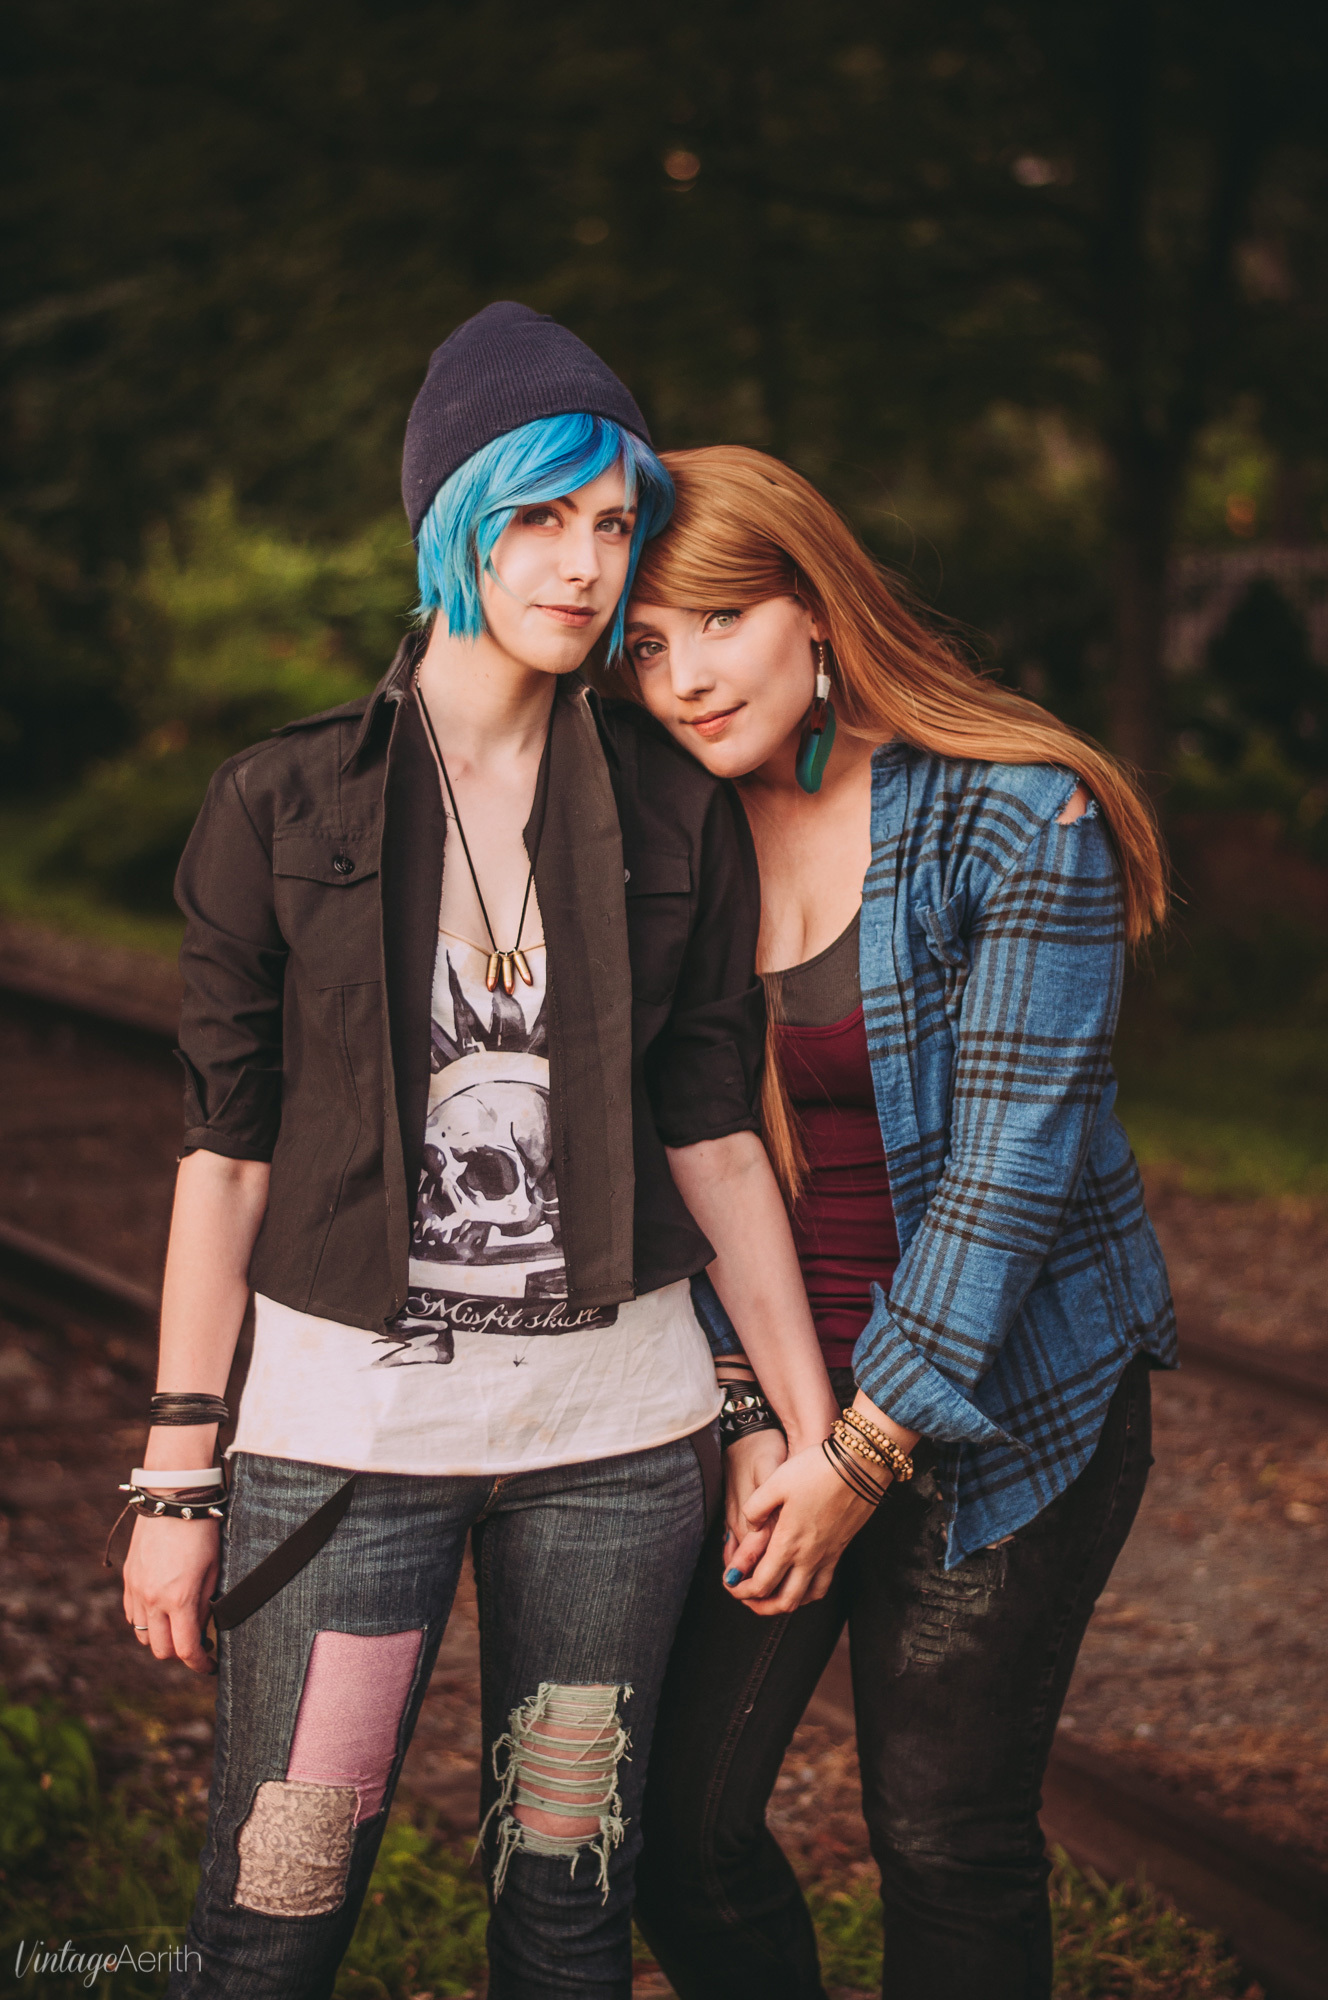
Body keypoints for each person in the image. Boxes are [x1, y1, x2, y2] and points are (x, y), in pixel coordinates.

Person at [120, 316, 836, 2000]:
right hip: (349, 1449)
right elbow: (225, 1155)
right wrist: (177, 1470)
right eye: (539, 518)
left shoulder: (674, 808)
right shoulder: (281, 802)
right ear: (453, 519)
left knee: (569, 1899)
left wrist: (805, 1430)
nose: (584, 565)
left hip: (617, 1457)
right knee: (282, 1901)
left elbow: (717, 1134)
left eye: (614, 525)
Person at [619, 445, 1176, 2000]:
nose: (684, 678)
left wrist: (859, 1462)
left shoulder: (1021, 812)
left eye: (719, 619)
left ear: (815, 605)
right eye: (646, 646)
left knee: (944, 1836)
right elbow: (677, 1155)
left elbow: (1010, 1183)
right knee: (673, 1832)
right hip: (784, 1384)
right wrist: (754, 1412)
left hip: (1010, 1394)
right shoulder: (671, 840)